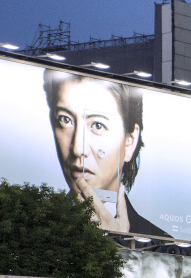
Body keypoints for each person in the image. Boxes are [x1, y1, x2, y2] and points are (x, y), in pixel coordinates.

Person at [42, 69, 165, 237]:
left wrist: (115, 243)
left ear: (130, 140)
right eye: (65, 120)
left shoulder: (162, 244)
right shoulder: (31, 227)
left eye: (98, 125)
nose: (78, 149)